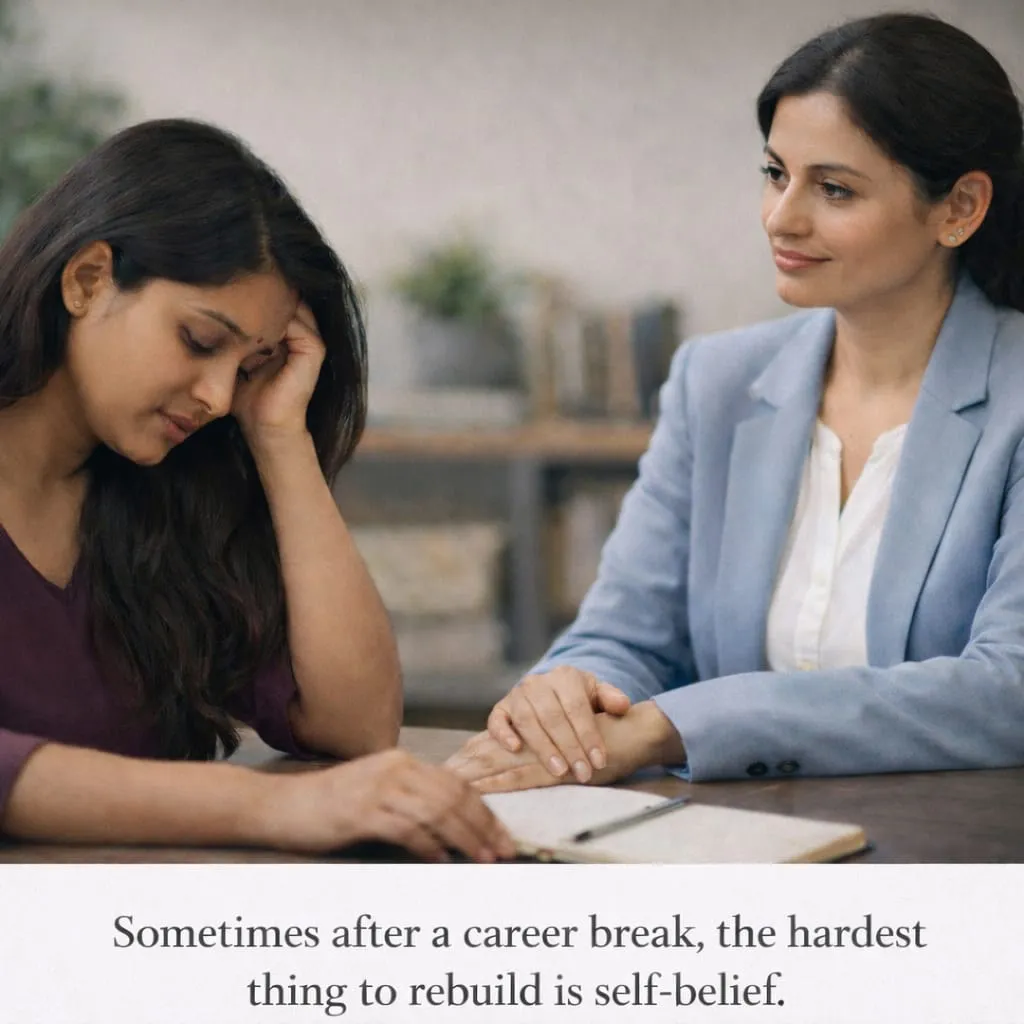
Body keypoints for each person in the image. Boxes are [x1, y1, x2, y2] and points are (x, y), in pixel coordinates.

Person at [447, 12, 1024, 791]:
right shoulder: (714, 382)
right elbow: (626, 637)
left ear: (959, 208)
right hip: (735, 848)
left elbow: (1004, 691)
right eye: (775, 173)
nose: (782, 218)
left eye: (834, 188)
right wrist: (570, 694)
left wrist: (671, 726)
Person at [0, 118, 514, 864]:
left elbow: (356, 726)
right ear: (86, 279)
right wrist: (269, 804)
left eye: (251, 364)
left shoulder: (164, 495)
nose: (216, 395)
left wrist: (281, 441)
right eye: (201, 341)